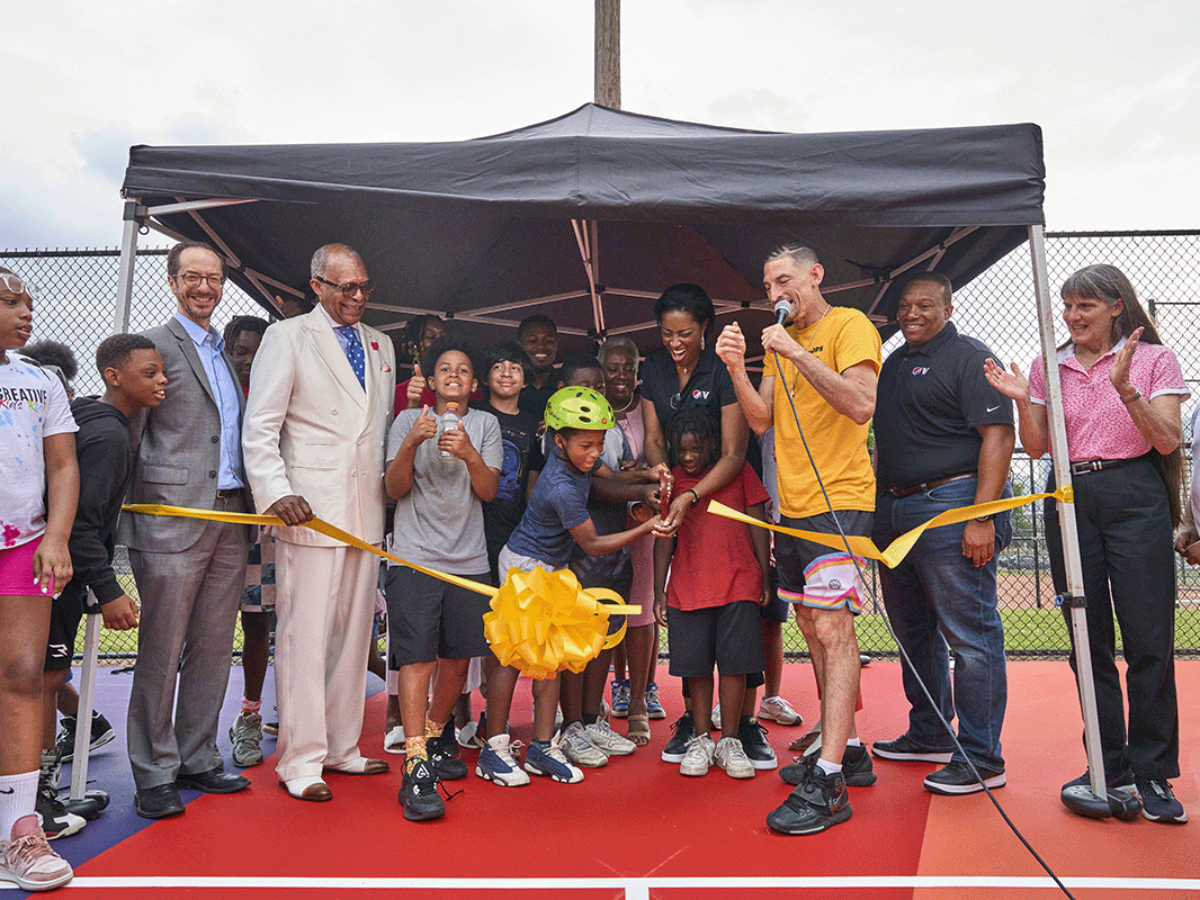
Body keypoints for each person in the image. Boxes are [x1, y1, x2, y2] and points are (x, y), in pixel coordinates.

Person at [985, 263, 1189, 824]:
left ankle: (1152, 771)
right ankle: (1106, 763)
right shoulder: (1047, 366)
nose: (1072, 316)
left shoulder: (1154, 359)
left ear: (1116, 307)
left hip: (1135, 493)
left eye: (1085, 306)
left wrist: (1126, 389)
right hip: (1070, 496)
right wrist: (1023, 399)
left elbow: (1167, 439)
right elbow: (1036, 448)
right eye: (1068, 306)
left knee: (1148, 639)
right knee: (1086, 638)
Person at [716, 243, 881, 835]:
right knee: (810, 624)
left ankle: (830, 780)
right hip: (791, 504)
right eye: (767, 286)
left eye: (783, 280)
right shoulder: (777, 342)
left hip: (839, 502)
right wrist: (738, 368)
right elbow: (762, 420)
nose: (774, 294)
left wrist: (794, 351)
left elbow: (860, 404)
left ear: (816, 275)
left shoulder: (849, 326)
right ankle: (849, 749)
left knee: (834, 628)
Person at [242, 243, 396, 803]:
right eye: (345, 287)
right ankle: (301, 759)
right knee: (304, 638)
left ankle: (341, 746)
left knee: (354, 637)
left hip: (366, 511)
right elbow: (261, 426)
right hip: (308, 509)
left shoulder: (381, 343)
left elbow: (374, 432)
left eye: (364, 286)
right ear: (316, 286)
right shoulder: (287, 337)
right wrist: (276, 492)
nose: (357, 297)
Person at [869, 273, 1015, 795]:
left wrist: (982, 516)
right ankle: (930, 731)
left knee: (971, 636)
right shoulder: (892, 365)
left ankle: (981, 757)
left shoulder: (971, 357)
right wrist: (878, 511)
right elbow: (884, 442)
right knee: (913, 633)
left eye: (925, 305)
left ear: (949, 309)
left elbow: (999, 436)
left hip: (952, 503)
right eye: (905, 306)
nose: (912, 314)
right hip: (894, 509)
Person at [120, 241, 251, 819]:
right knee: (161, 648)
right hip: (171, 518)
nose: (205, 288)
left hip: (232, 515)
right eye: (193, 277)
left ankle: (197, 755)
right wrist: (129, 511)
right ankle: (153, 772)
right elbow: (132, 434)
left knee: (214, 646)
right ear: (172, 282)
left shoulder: (223, 350)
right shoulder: (153, 346)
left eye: (214, 278)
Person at [477, 387, 663, 789]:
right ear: (559, 441)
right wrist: (648, 527)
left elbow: (611, 476)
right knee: (512, 658)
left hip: (550, 569)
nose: (594, 453)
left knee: (552, 661)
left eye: (599, 443)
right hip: (526, 569)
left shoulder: (579, 461)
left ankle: (543, 746)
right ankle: (494, 748)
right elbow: (592, 544)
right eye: (585, 445)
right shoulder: (561, 487)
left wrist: (646, 476)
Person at [639, 284, 769, 765]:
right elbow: (654, 438)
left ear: (705, 328)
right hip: (681, 489)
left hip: (724, 488)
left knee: (739, 634)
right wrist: (664, 478)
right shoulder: (653, 368)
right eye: (667, 332)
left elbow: (734, 453)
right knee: (693, 632)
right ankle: (695, 727)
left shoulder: (720, 368)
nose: (675, 342)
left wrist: (692, 493)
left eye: (685, 333)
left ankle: (742, 727)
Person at [40, 335, 165, 833]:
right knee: (44, 682)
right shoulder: (110, 437)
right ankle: (38, 800)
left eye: (161, 372)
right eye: (149, 373)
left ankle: (38, 793)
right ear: (114, 377)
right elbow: (80, 525)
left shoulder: (86, 415)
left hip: (47, 570)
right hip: (53, 576)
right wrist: (109, 590)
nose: (162, 381)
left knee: (43, 679)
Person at [384, 334, 501, 822]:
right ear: (431, 381)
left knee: (456, 660)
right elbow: (393, 488)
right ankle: (415, 763)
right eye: (446, 369)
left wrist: (470, 453)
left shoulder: (486, 424)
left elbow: (489, 491)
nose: (454, 375)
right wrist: (413, 441)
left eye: (464, 370)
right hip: (414, 558)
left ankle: (434, 736)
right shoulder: (407, 420)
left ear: (474, 385)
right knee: (417, 659)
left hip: (468, 560)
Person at [0, 267, 77, 891]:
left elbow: (63, 465)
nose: (26, 312)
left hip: (22, 544)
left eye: (28, 301)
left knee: (25, 676)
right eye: (9, 302)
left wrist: (55, 536)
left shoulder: (40, 379)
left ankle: (20, 829)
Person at [654, 408, 770, 779]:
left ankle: (730, 740)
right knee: (697, 668)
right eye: (682, 451)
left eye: (696, 449)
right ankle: (702, 738)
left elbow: (758, 524)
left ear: (713, 446)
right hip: (688, 586)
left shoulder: (739, 471)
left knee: (735, 665)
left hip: (739, 581)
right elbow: (663, 539)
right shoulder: (672, 481)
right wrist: (658, 590)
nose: (689, 457)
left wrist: (765, 575)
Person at [551, 355, 643, 766]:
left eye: (597, 385)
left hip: (614, 550)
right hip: (579, 553)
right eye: (581, 385)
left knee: (603, 636)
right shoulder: (557, 435)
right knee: (575, 643)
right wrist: (640, 492)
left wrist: (642, 475)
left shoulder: (611, 430)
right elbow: (594, 486)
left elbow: (614, 475)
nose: (591, 392)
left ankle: (591, 720)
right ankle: (571, 725)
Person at [599, 337, 661, 745]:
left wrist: (643, 480)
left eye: (629, 368)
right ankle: (597, 701)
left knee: (640, 612)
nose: (621, 375)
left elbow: (656, 456)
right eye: (613, 367)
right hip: (599, 521)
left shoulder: (646, 407)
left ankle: (638, 701)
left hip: (641, 523)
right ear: (601, 370)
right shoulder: (589, 406)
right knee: (602, 610)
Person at [220, 316, 274, 768]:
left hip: (270, 524)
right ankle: (200, 728)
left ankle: (255, 715)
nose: (249, 362)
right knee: (217, 628)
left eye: (258, 354)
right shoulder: (219, 393)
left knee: (263, 622)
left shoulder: (274, 393)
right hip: (222, 522)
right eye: (241, 352)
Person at [394, 314, 444, 415]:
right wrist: (413, 403)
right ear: (412, 346)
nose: (440, 342)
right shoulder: (397, 394)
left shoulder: (465, 389)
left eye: (444, 337)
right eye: (431, 337)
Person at [516, 314, 559, 420]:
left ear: (556, 345)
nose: (541, 346)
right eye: (532, 341)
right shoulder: (507, 385)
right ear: (520, 346)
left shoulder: (567, 384)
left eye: (548, 341)